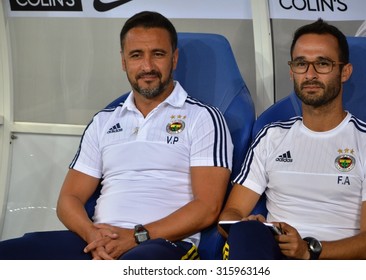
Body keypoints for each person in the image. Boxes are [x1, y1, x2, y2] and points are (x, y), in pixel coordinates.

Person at [0, 11, 233, 260]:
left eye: (158, 54)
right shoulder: (103, 121)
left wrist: (135, 237)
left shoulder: (204, 118)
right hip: (97, 242)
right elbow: (69, 198)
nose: (147, 66)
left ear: (174, 59)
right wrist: (91, 235)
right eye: (136, 55)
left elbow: (208, 208)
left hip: (163, 245)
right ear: (123, 62)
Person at [218, 19, 366, 260]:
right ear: (292, 71)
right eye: (301, 64)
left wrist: (308, 249)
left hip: (334, 262)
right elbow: (230, 214)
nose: (310, 74)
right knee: (247, 232)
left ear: (345, 72)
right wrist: (247, 226)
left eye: (322, 63)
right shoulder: (271, 136)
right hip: (272, 257)